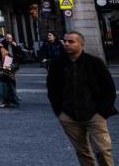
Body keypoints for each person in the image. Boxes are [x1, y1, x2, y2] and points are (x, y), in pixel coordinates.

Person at [47, 31, 117, 166]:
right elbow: (52, 89)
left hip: (94, 114)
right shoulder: (57, 64)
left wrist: (102, 113)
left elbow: (109, 89)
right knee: (82, 152)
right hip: (69, 116)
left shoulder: (95, 63)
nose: (66, 44)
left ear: (81, 44)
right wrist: (60, 113)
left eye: (71, 42)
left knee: (103, 151)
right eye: (65, 41)